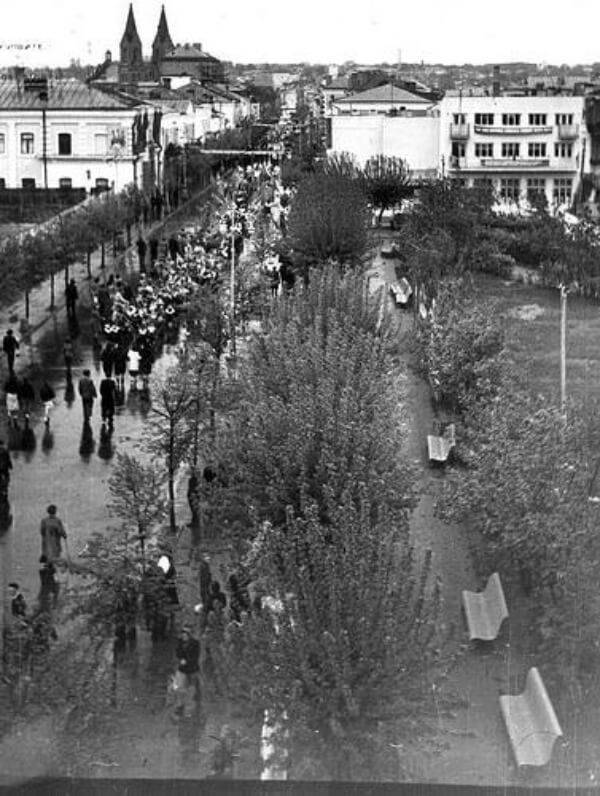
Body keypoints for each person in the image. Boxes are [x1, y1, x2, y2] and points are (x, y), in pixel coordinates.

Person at [174, 626, 201, 716]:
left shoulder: (195, 643)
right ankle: (180, 705)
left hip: (192, 669)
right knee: (180, 688)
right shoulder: (179, 643)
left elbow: (196, 656)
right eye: (182, 635)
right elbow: (177, 653)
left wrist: (187, 661)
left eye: (185, 635)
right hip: (182, 669)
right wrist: (181, 659)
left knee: (192, 688)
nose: (184, 636)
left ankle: (192, 706)